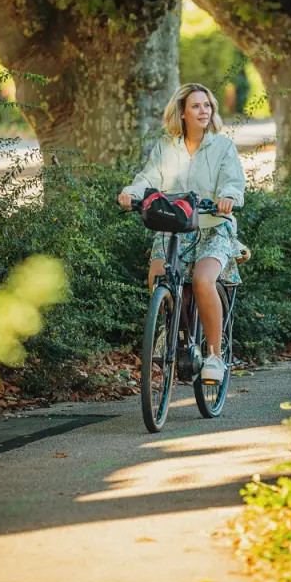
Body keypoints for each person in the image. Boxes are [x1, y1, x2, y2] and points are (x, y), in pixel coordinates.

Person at [118, 83, 246, 384]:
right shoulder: (166, 146)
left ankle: (214, 355)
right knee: (157, 277)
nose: (204, 111)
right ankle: (172, 330)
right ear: (182, 113)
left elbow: (232, 181)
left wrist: (228, 198)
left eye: (208, 105)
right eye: (196, 106)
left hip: (214, 227)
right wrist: (131, 193)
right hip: (176, 227)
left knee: (203, 280)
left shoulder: (222, 147)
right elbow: (148, 177)